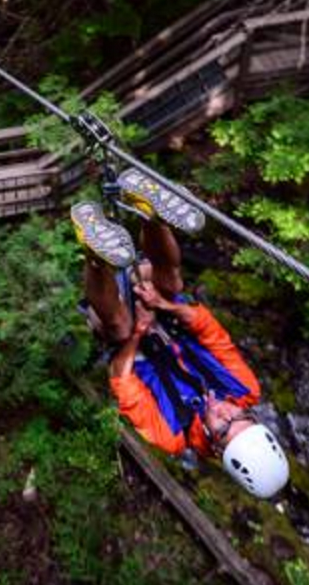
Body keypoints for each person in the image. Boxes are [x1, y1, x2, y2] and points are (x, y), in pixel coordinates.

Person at [71, 167, 290, 499]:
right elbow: (212, 333)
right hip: (166, 314)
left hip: (128, 340)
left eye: (223, 427)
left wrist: (139, 332)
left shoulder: (170, 434)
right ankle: (149, 213)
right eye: (239, 416)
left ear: (216, 449)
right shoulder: (245, 389)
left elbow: (120, 379)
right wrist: (164, 305)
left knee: (119, 326)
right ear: (252, 415)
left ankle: (93, 254)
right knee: (172, 284)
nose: (224, 412)